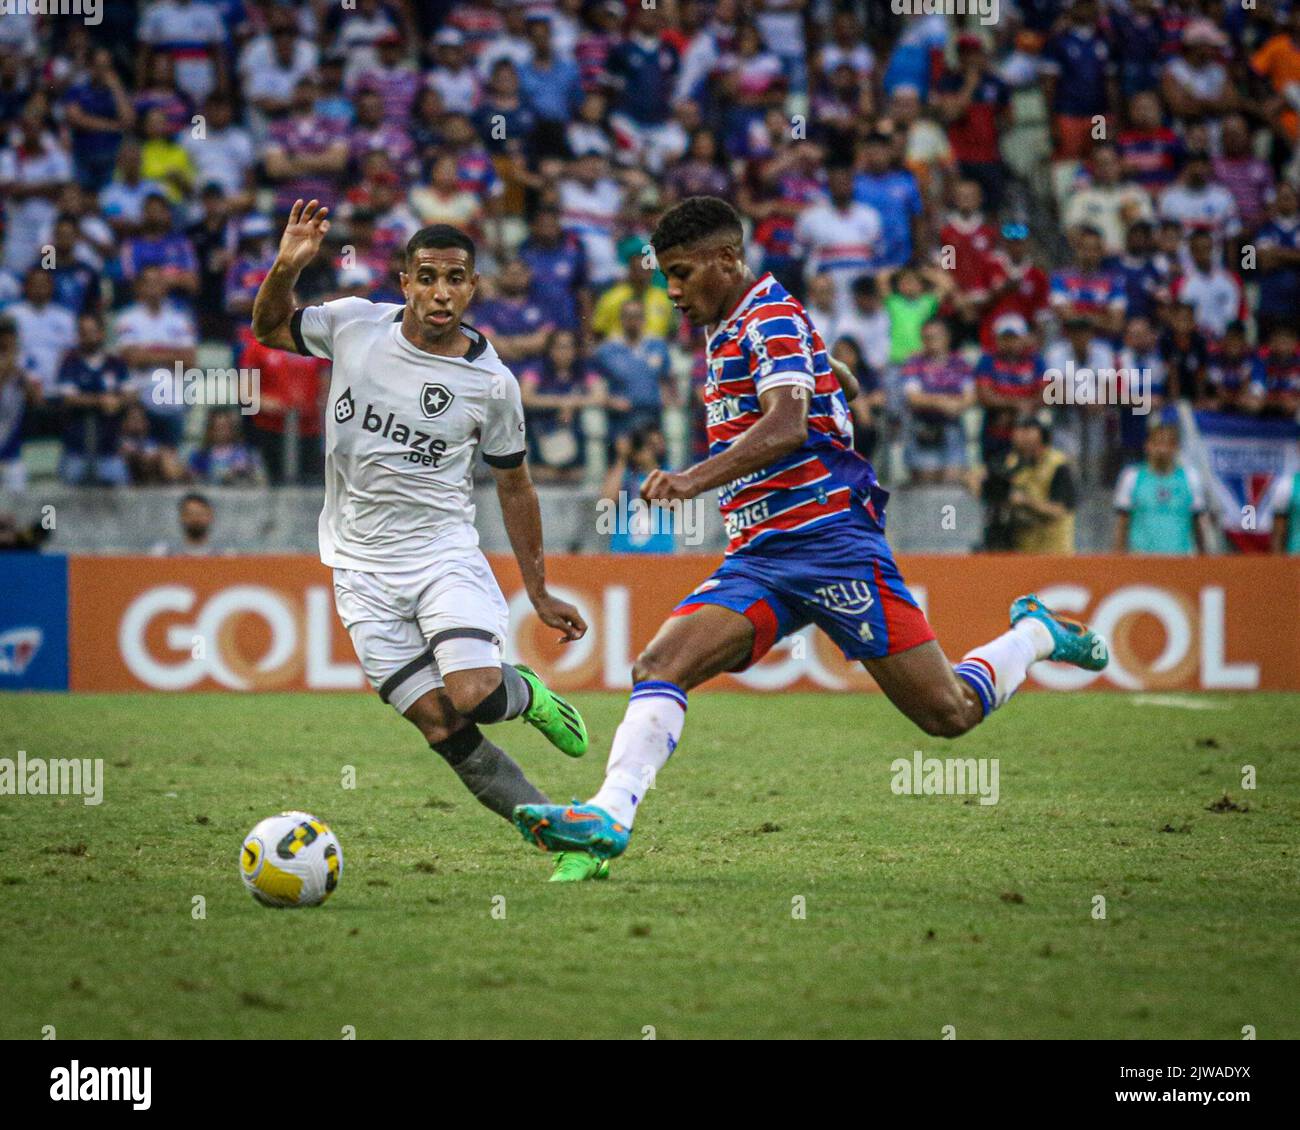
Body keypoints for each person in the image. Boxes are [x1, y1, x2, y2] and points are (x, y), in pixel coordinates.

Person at [512, 197, 1109, 864]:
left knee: (948, 713)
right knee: (660, 664)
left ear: (728, 260)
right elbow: (832, 379)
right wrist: (832, 372)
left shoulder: (765, 315)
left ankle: (1034, 633)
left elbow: (787, 423)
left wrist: (691, 479)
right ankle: (608, 816)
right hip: (762, 556)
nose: (672, 291)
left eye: (681, 273)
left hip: (830, 546)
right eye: (665, 277)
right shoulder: (736, 321)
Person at [252, 203, 601, 883]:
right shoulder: (354, 324)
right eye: (428, 277)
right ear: (404, 280)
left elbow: (516, 485)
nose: (441, 292)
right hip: (358, 571)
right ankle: (570, 841)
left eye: (457, 279)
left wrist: (538, 588)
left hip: (442, 556)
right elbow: (267, 326)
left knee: (470, 690)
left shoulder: (491, 382)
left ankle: (524, 693)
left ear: (474, 288)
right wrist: (289, 263)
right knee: (443, 728)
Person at [1113, 424, 1211, 556]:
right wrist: (1117, 557)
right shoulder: (1132, 476)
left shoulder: (1190, 477)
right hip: (1140, 560)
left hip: (1182, 560)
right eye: (1158, 444)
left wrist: (1203, 557)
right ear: (1147, 446)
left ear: (1177, 448)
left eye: (1169, 445)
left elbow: (1197, 522)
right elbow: (1122, 522)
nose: (1163, 450)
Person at [151, 491, 219, 556]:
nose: (195, 519)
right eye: (190, 514)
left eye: (200, 514)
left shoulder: (224, 555)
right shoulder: (163, 553)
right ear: (181, 517)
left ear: (210, 516)